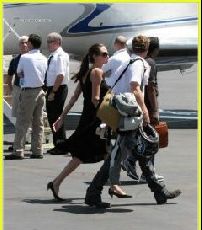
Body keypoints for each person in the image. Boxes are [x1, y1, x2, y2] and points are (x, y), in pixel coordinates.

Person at [85, 36, 181, 207]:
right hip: (129, 114)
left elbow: (103, 75)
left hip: (123, 112)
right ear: (147, 48)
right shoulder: (139, 64)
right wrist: (145, 111)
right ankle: (93, 193)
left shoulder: (125, 60)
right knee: (117, 156)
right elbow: (135, 87)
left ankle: (159, 192)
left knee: (140, 152)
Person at [47, 43, 111, 208]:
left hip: (87, 119)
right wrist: (111, 109)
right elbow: (95, 99)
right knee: (108, 154)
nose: (107, 56)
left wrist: (62, 117)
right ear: (95, 56)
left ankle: (56, 182)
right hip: (96, 120)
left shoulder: (86, 73)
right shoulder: (96, 72)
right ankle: (110, 187)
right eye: (104, 54)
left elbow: (75, 97)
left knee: (82, 156)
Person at [121, 37, 164, 183]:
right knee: (151, 140)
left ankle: (134, 164)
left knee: (140, 138)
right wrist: (154, 110)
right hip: (146, 106)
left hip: (137, 105)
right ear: (154, 49)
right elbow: (150, 88)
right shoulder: (149, 63)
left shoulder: (134, 61)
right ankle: (136, 165)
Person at [5, 34, 47, 160]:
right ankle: (37, 150)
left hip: (28, 92)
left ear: (30, 44)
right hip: (40, 91)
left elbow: (19, 72)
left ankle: (18, 151)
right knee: (38, 123)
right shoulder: (44, 58)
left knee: (22, 122)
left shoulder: (25, 57)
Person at [45, 32, 69, 155]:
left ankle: (61, 145)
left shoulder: (60, 56)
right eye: (48, 41)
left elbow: (60, 75)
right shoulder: (53, 55)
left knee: (56, 116)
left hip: (58, 88)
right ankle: (58, 144)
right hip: (53, 87)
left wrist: (53, 92)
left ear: (58, 42)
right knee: (52, 117)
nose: (48, 44)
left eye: (51, 41)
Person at [6, 36, 28, 118]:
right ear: (19, 45)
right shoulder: (15, 60)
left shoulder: (35, 59)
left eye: (26, 43)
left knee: (30, 113)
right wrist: (12, 90)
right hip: (18, 88)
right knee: (17, 114)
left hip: (31, 89)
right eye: (22, 43)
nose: (24, 45)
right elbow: (9, 76)